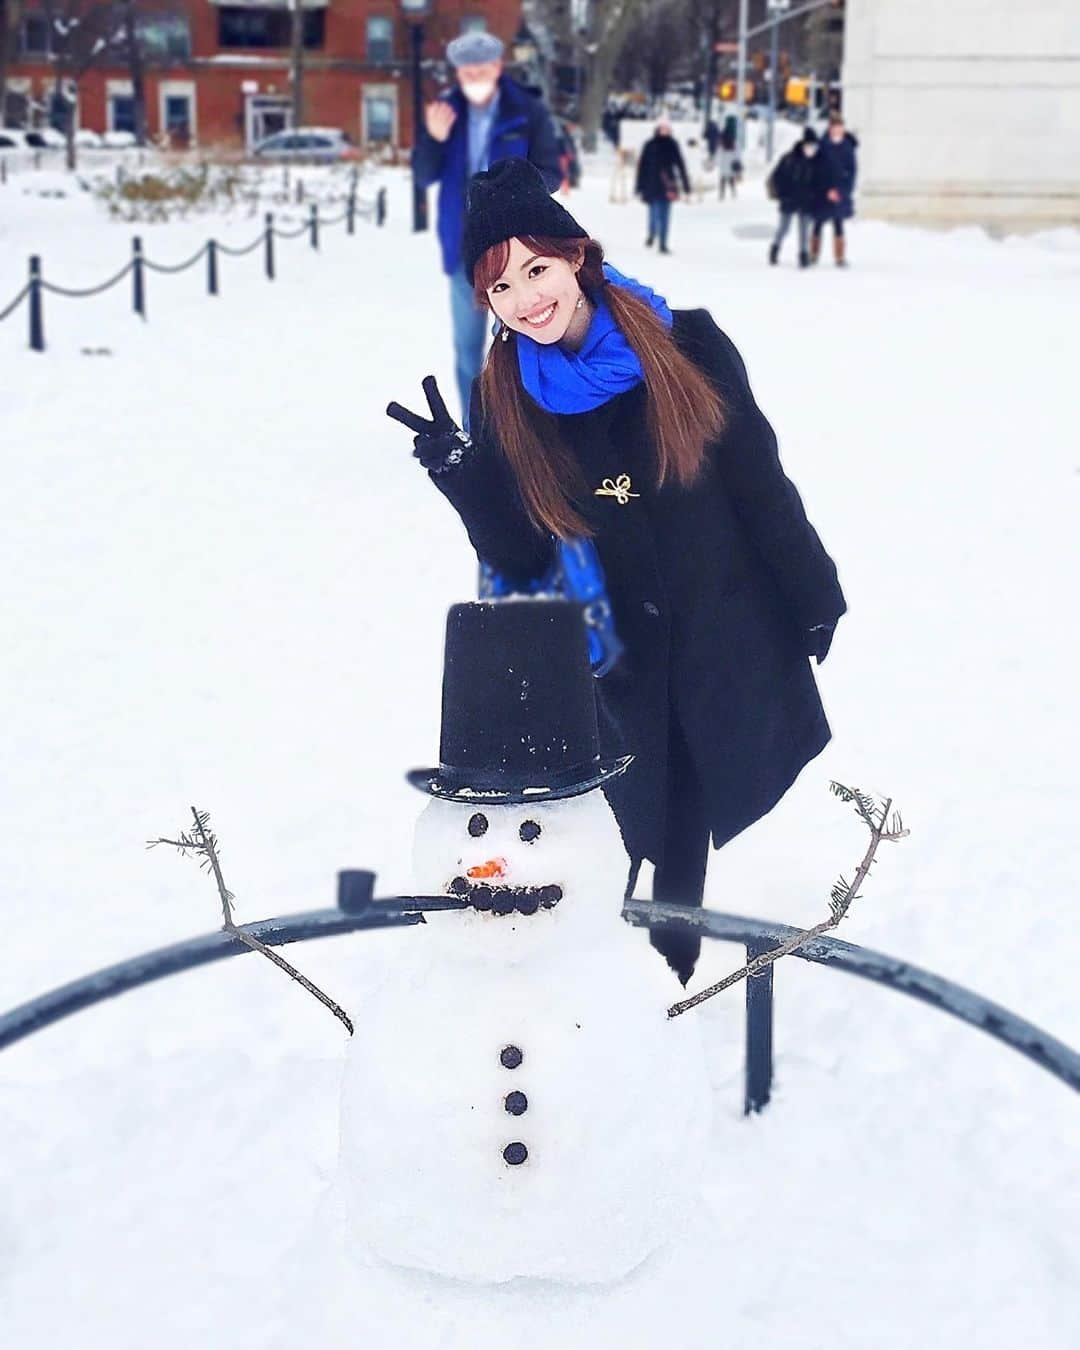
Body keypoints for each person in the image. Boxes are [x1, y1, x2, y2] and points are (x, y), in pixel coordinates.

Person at [386, 158, 846, 987]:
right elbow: (520, 555)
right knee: (613, 829)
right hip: (608, 658)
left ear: (575, 256)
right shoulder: (506, 398)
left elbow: (760, 483)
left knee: (687, 823)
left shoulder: (686, 345)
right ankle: (594, 989)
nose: (527, 299)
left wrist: (813, 595)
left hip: (714, 629)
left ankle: (672, 975)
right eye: (500, 288)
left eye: (536, 269)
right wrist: (464, 476)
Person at [412, 31, 562, 423]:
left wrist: (514, 195)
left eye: (482, 69)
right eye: (467, 72)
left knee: (519, 346)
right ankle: (476, 430)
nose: (474, 77)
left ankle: (525, 431)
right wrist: (433, 139)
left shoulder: (526, 111)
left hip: (515, 254)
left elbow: (551, 173)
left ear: (497, 67)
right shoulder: (445, 112)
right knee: (467, 351)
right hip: (464, 253)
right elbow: (424, 174)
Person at [767, 128, 822, 268]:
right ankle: (775, 248)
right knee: (784, 227)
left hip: (806, 200)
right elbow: (778, 176)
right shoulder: (789, 158)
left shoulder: (816, 162)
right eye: (810, 146)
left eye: (815, 147)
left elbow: (819, 181)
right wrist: (782, 194)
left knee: (804, 229)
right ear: (804, 145)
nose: (812, 150)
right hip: (789, 199)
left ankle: (803, 255)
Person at [634, 121, 691, 255]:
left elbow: (680, 164)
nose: (665, 131)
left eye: (667, 129)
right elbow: (642, 167)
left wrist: (685, 185)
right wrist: (639, 186)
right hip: (652, 184)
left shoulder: (672, 145)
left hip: (667, 186)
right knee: (654, 212)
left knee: (664, 215)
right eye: (663, 129)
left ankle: (663, 243)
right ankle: (653, 233)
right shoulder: (650, 145)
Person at [812, 113, 858, 267]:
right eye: (834, 128)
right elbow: (817, 169)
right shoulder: (823, 145)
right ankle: (813, 253)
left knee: (838, 223)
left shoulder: (848, 147)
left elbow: (852, 171)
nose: (837, 131)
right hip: (824, 190)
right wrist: (826, 189)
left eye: (839, 128)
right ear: (830, 128)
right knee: (818, 222)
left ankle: (839, 256)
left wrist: (842, 191)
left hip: (840, 192)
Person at [716, 122, 739, 200]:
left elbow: (718, 153)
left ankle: (721, 194)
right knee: (731, 177)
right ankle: (733, 192)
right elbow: (736, 153)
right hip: (730, 160)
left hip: (723, 161)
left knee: (722, 178)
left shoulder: (721, 142)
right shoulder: (733, 141)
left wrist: (717, 162)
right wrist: (736, 160)